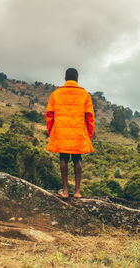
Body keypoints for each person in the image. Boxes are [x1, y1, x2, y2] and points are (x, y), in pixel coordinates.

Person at [45, 68, 94, 198]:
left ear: (65, 78)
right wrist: (89, 133)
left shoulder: (56, 94)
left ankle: (65, 191)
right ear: (77, 78)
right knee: (77, 158)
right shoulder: (85, 95)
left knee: (63, 158)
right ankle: (77, 192)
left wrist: (52, 132)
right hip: (78, 130)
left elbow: (49, 115)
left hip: (61, 131)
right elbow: (90, 116)